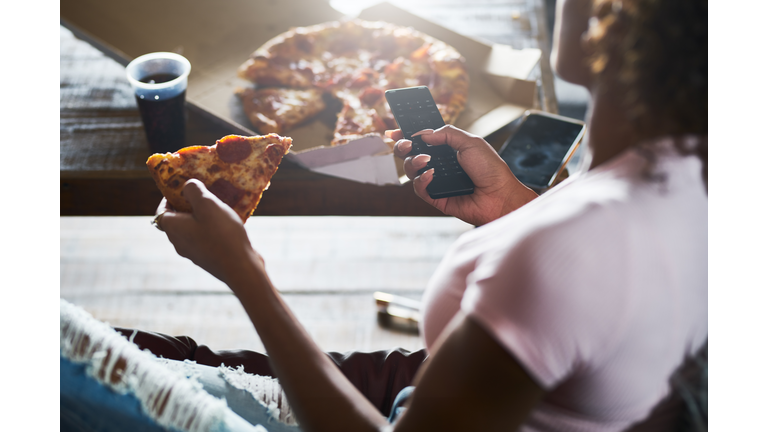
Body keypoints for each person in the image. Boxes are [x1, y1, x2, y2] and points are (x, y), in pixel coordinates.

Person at [146, 0, 708, 430]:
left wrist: (242, 268)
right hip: (467, 389)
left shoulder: (559, 257)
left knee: (110, 362)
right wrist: (512, 207)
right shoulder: (690, 172)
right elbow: (594, 301)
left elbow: (568, 275)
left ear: (611, 22)